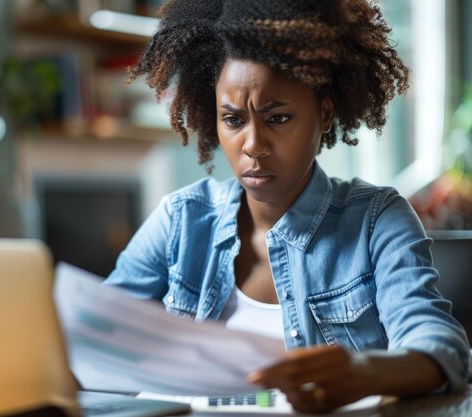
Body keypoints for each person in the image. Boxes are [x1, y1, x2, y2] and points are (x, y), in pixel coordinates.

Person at [104, 0, 471, 412]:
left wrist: (364, 372)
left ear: (325, 113)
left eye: (277, 118)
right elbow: (95, 337)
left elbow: (442, 349)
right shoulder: (182, 220)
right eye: (233, 120)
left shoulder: (376, 220)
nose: (253, 145)